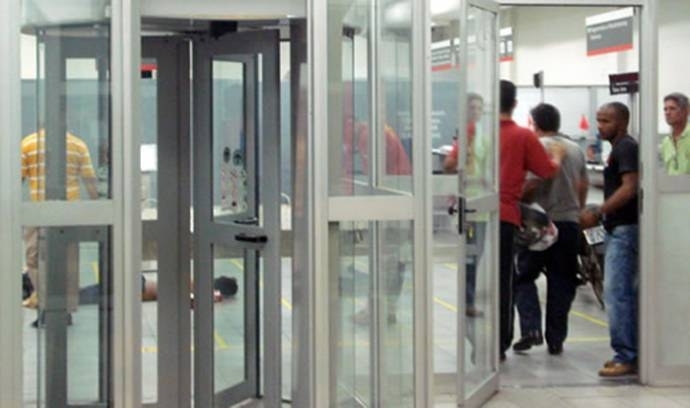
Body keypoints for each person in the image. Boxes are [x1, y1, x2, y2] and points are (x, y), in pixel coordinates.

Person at [513, 103, 589, 356]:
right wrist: (577, 211)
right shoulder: (575, 149)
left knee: (523, 277)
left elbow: (531, 183)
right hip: (568, 223)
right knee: (562, 281)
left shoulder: (536, 147)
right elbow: (583, 185)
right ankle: (556, 339)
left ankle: (531, 329)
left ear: (534, 123)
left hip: (539, 224)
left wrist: (517, 199)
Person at [497, 80, 565, 361]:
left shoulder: (475, 133)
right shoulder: (523, 137)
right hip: (507, 217)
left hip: (474, 216)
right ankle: (500, 342)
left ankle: (482, 341)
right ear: (514, 104)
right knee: (505, 280)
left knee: (481, 280)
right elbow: (546, 171)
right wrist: (557, 158)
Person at [580, 102, 639, 377]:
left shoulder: (626, 147)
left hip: (625, 230)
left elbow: (630, 187)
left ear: (622, 123)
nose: (600, 126)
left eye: (606, 121)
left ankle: (625, 356)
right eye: (598, 120)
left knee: (617, 293)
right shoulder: (617, 149)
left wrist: (599, 210)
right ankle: (629, 352)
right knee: (621, 292)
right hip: (617, 228)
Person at [21, 129, 99, 326]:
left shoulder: (28, 143)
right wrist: (98, 207)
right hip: (69, 212)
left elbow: (17, 179)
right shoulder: (78, 145)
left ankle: (46, 306)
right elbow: (90, 180)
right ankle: (65, 309)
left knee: (34, 259)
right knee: (69, 262)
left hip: (38, 210)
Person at [443, 93, 488, 317]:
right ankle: (468, 301)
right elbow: (449, 165)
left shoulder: (484, 136)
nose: (476, 112)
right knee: (470, 256)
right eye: (472, 108)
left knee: (476, 255)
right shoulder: (466, 135)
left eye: (479, 108)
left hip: (482, 205)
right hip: (467, 206)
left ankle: (469, 299)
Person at [659, 92, 690, 175]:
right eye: (665, 109)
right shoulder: (665, 142)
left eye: (672, 108)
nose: (667, 113)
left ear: (686, 111)